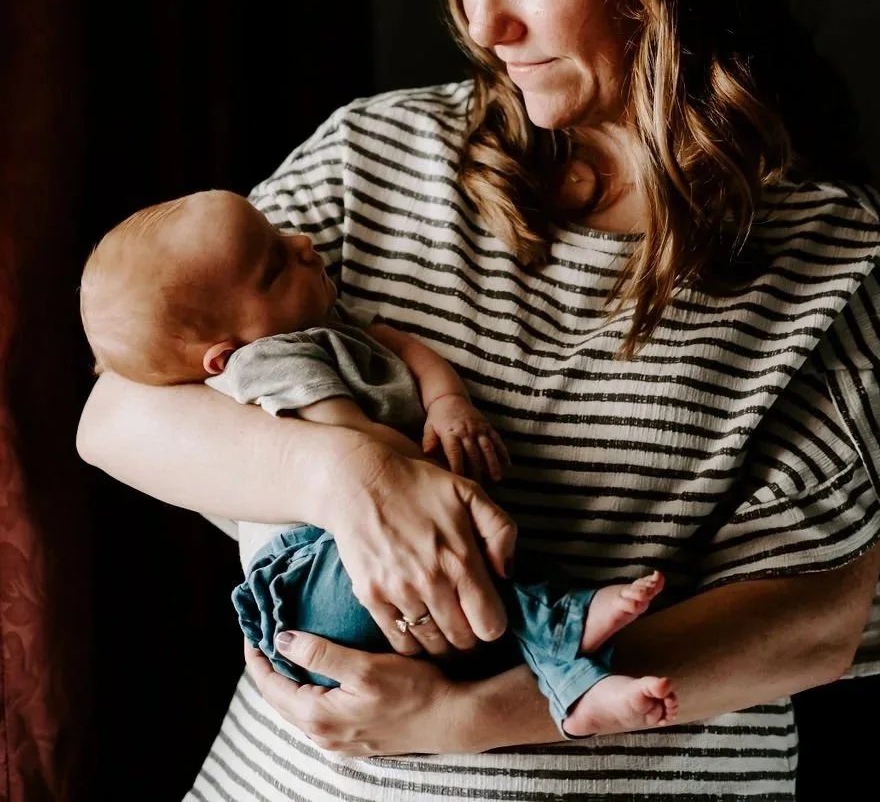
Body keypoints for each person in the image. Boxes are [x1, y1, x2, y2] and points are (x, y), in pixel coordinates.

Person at [76, 0, 880, 799]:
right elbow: (116, 414)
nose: (485, 23)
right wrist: (344, 470)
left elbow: (820, 617)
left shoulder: (835, 254)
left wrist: (468, 717)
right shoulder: (376, 156)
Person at [78, 188, 677, 736]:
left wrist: (448, 406)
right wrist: (425, 477)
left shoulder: (329, 325)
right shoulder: (272, 361)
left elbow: (407, 350)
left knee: (488, 570)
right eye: (274, 265)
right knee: (482, 553)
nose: (303, 244)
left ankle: (576, 688)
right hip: (314, 579)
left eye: (281, 235)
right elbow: (360, 448)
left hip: (365, 583)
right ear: (226, 353)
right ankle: (567, 630)